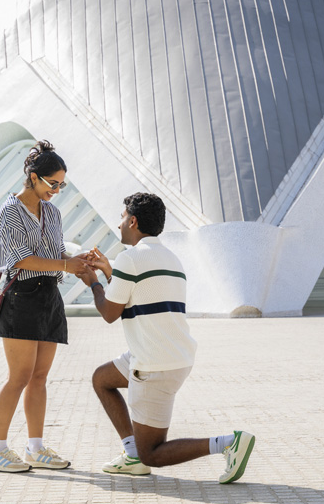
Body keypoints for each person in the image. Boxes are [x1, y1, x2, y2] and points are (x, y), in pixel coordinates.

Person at [77, 192, 256, 484]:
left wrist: (94, 282)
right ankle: (131, 453)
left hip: (153, 364)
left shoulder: (130, 258)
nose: (120, 223)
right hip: (171, 355)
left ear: (133, 221)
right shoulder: (171, 258)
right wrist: (111, 272)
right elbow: (133, 297)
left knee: (153, 454)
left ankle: (227, 443)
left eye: (122, 217)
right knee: (103, 379)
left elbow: (110, 312)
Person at [0, 141, 95, 473]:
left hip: (48, 296)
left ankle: (35, 448)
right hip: (20, 296)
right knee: (18, 377)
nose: (57, 191)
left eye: (62, 185)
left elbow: (57, 254)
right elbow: (21, 259)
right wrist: (64, 264)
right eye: (52, 184)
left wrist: (76, 263)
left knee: (40, 377)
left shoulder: (53, 212)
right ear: (33, 177)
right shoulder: (10, 211)